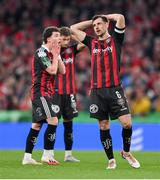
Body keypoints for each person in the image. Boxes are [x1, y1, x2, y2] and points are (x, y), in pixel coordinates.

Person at [71, 14, 140, 169]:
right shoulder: (91, 42)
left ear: (107, 25)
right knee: (103, 125)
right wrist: (92, 21)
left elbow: (121, 17)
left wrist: (106, 17)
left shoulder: (116, 39)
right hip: (97, 91)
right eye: (94, 25)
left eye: (99, 24)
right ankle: (111, 159)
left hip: (115, 89)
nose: (96, 27)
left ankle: (126, 152)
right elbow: (72, 29)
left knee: (127, 124)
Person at [22, 26, 65, 165]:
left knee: (36, 125)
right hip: (40, 92)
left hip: (47, 93)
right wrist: (54, 55)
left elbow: (63, 71)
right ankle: (47, 154)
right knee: (53, 120)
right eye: (56, 35)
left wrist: (57, 54)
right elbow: (53, 70)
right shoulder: (41, 53)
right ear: (48, 39)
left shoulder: (53, 53)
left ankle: (27, 157)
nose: (59, 38)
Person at [52, 27, 85, 162]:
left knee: (68, 124)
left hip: (70, 92)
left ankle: (68, 155)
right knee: (52, 123)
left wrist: (73, 35)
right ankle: (49, 154)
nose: (66, 42)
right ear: (58, 38)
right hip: (56, 92)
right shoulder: (52, 51)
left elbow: (84, 44)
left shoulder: (72, 50)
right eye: (63, 39)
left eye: (68, 39)